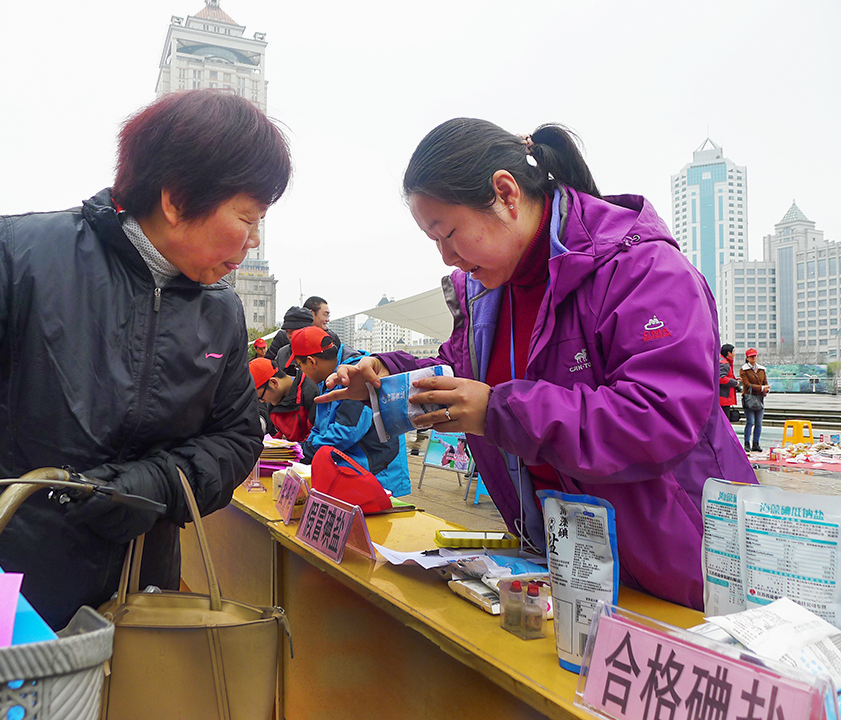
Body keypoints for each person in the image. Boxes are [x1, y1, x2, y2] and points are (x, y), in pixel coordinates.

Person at [0, 89, 291, 628]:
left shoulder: (221, 311)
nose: (253, 240)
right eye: (248, 216)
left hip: (137, 604)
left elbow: (237, 437)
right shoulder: (13, 256)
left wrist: (159, 482)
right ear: (176, 198)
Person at [318, 119, 756, 610]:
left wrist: (497, 411)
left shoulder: (640, 268)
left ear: (506, 193)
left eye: (449, 234)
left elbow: (659, 415)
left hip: (684, 566)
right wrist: (384, 370)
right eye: (432, 242)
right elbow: (457, 372)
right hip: (569, 565)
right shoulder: (487, 293)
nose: (445, 258)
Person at [292, 326, 410, 498]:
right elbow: (320, 427)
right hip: (352, 469)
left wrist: (303, 452)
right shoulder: (328, 379)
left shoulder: (357, 374)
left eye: (299, 366)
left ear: (311, 361)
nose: (301, 373)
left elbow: (347, 431)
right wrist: (300, 452)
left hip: (378, 473)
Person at [248, 357, 318, 442]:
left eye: (261, 397)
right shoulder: (273, 401)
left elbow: (317, 436)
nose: (262, 401)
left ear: (274, 382)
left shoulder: (311, 393)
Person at [740, 348, 769, 453]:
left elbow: (765, 381)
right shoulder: (744, 369)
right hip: (749, 398)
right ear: (747, 358)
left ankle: (756, 443)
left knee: (759, 423)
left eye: (755, 356)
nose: (754, 358)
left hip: (759, 398)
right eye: (751, 356)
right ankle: (747, 443)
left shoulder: (761, 369)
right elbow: (747, 384)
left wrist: (766, 388)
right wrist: (761, 388)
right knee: (750, 422)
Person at [719, 343, 739, 422]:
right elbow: (721, 378)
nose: (735, 353)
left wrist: (733, 379)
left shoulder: (724, 362)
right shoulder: (724, 364)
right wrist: (734, 382)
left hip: (723, 397)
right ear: (728, 353)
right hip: (724, 397)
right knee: (724, 421)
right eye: (733, 351)